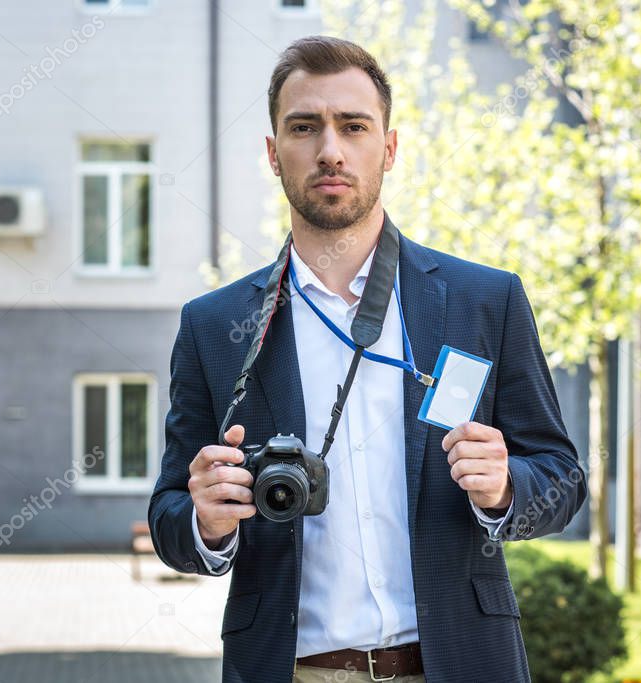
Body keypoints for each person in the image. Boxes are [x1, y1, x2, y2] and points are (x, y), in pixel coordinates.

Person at [148, 36, 587, 683]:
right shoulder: (215, 327)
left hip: (459, 663)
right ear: (273, 154)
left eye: (352, 126)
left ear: (388, 148)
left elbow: (561, 477)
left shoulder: (482, 300)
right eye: (304, 127)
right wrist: (208, 522)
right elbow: (169, 517)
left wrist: (502, 489)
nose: (330, 149)